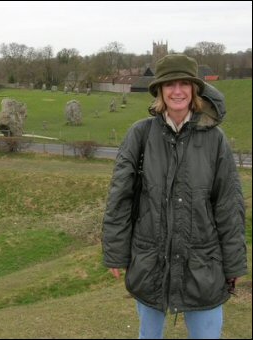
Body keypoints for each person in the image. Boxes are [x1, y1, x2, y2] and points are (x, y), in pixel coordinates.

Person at [102, 54, 247, 339]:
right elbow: (120, 198)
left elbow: (228, 205)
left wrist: (234, 263)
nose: (177, 91)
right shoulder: (140, 134)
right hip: (149, 260)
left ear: (195, 90)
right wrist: (116, 253)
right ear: (159, 90)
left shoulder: (215, 140)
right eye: (170, 84)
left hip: (203, 263)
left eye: (184, 84)